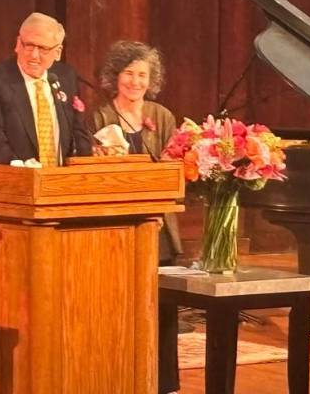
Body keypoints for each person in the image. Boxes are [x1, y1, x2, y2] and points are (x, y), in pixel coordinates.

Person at [90, 40, 182, 394]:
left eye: (142, 75)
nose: (135, 81)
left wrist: (157, 202)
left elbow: (174, 170)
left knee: (162, 306)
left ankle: (164, 384)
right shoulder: (100, 116)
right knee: (119, 306)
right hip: (117, 225)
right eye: (128, 73)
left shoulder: (162, 116)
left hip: (159, 226)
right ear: (115, 76)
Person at [0, 12, 92, 166]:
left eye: (43, 48)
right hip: (16, 176)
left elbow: (78, 129)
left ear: (58, 52)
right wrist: (19, 167)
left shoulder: (66, 76)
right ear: (18, 44)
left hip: (62, 177)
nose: (34, 55)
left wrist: (85, 160)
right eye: (29, 45)